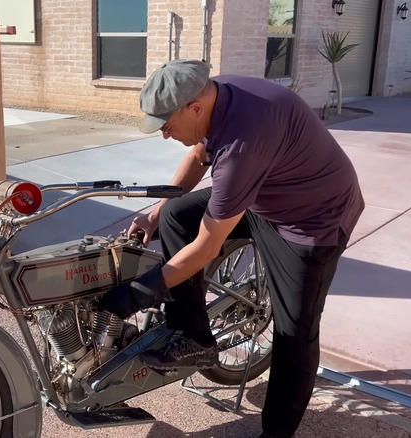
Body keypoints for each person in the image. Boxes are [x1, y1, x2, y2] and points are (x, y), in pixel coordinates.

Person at [96, 59, 364, 438]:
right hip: (261, 194)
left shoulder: (243, 142)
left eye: (168, 126)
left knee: (294, 333)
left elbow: (207, 248)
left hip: (311, 220)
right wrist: (156, 213)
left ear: (195, 108)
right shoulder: (214, 93)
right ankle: (194, 336)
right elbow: (196, 156)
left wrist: (140, 292)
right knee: (176, 214)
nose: (165, 136)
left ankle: (276, 433)